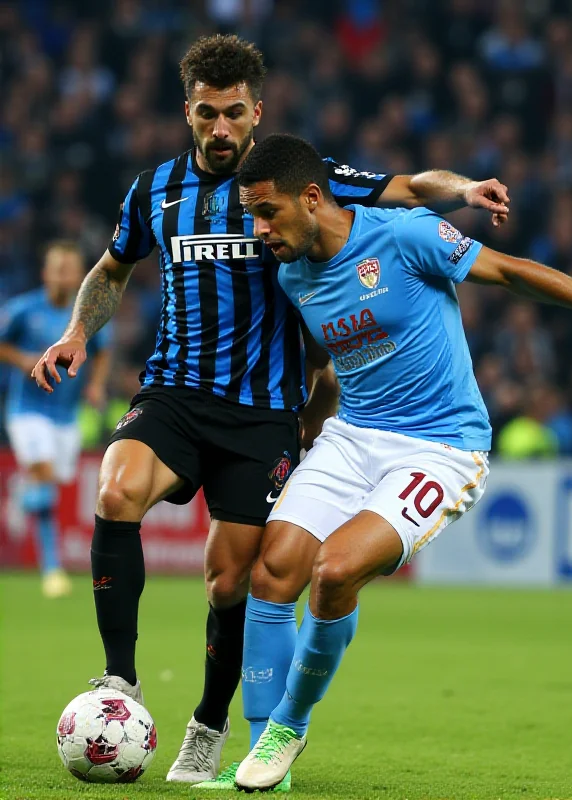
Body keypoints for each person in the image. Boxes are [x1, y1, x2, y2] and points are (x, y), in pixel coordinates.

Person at [31, 35, 511, 789]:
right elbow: (112, 267)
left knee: (230, 581)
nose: (220, 128)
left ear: (257, 112)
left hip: (263, 411)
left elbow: (408, 187)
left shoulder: (299, 182)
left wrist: (464, 189)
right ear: (186, 112)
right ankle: (118, 682)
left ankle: (209, 726)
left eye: (233, 113)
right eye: (206, 113)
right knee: (114, 489)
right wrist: (76, 332)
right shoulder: (153, 190)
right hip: (175, 391)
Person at [233, 133, 572, 792]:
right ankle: (261, 758)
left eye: (268, 213)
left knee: (333, 571)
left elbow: (508, 271)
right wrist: (311, 430)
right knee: (273, 570)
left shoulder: (403, 237)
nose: (259, 232)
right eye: (251, 217)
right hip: (354, 435)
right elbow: (324, 361)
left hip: (442, 445)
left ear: (312, 198)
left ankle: (289, 721)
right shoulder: (293, 273)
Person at [0, 241, 110, 598]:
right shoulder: (23, 309)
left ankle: (23, 493)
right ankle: (52, 568)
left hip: (66, 415)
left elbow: (104, 347)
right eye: (59, 268)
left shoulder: (86, 314)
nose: (66, 276)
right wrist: (23, 360)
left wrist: (95, 385)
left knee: (52, 481)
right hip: (27, 411)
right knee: (45, 474)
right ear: (46, 273)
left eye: (72, 268)